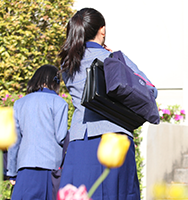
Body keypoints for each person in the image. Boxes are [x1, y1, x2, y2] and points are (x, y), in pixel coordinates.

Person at [56, 8, 157, 200]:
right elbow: (151, 90)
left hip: (80, 141)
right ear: (102, 30)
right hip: (114, 139)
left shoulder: (68, 64)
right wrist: (121, 59)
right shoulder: (113, 60)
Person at [7, 65, 69, 200]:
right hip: (50, 167)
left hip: (25, 166)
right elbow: (61, 137)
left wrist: (12, 172)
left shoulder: (20, 103)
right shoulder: (59, 103)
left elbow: (14, 141)